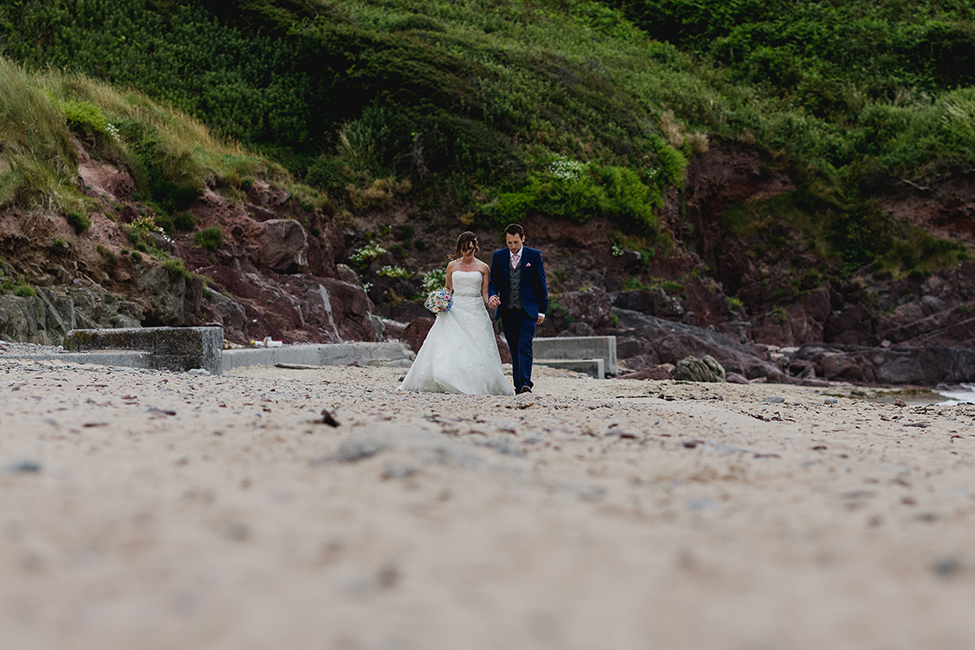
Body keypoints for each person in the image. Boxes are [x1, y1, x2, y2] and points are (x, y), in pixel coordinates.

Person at [399, 232, 514, 396]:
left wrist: (492, 300)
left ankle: (474, 383)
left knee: (477, 348)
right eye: (465, 249)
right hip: (455, 309)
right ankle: (448, 380)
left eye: (471, 249)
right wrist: (440, 299)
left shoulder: (483, 267)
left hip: (475, 309)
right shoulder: (452, 265)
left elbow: (486, 292)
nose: (468, 252)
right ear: (460, 248)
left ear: (475, 247)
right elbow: (448, 288)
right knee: (450, 346)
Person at [488, 223, 548, 394]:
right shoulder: (498, 256)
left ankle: (526, 384)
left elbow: (541, 284)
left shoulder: (534, 255)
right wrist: (492, 296)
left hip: (528, 310)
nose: (513, 247)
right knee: (514, 348)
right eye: (509, 243)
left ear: (523, 238)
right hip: (507, 310)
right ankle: (518, 386)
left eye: (515, 242)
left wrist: (542, 310)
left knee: (524, 345)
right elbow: (494, 282)